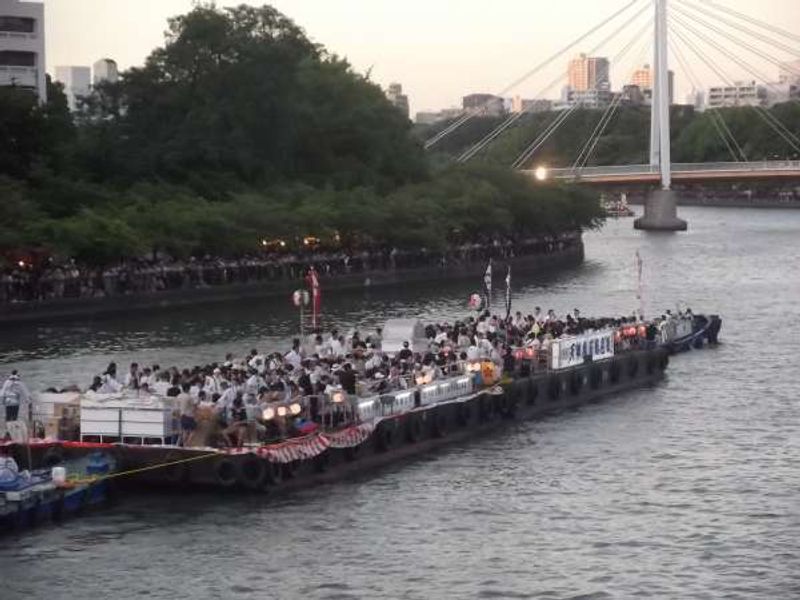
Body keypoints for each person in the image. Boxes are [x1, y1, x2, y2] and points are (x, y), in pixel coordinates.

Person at [177, 382, 197, 447]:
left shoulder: (179, 396)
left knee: (184, 431)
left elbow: (177, 406)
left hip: (182, 415)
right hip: (189, 415)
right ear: (188, 388)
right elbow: (194, 406)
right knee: (193, 431)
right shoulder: (189, 397)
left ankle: (185, 444)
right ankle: (188, 443)